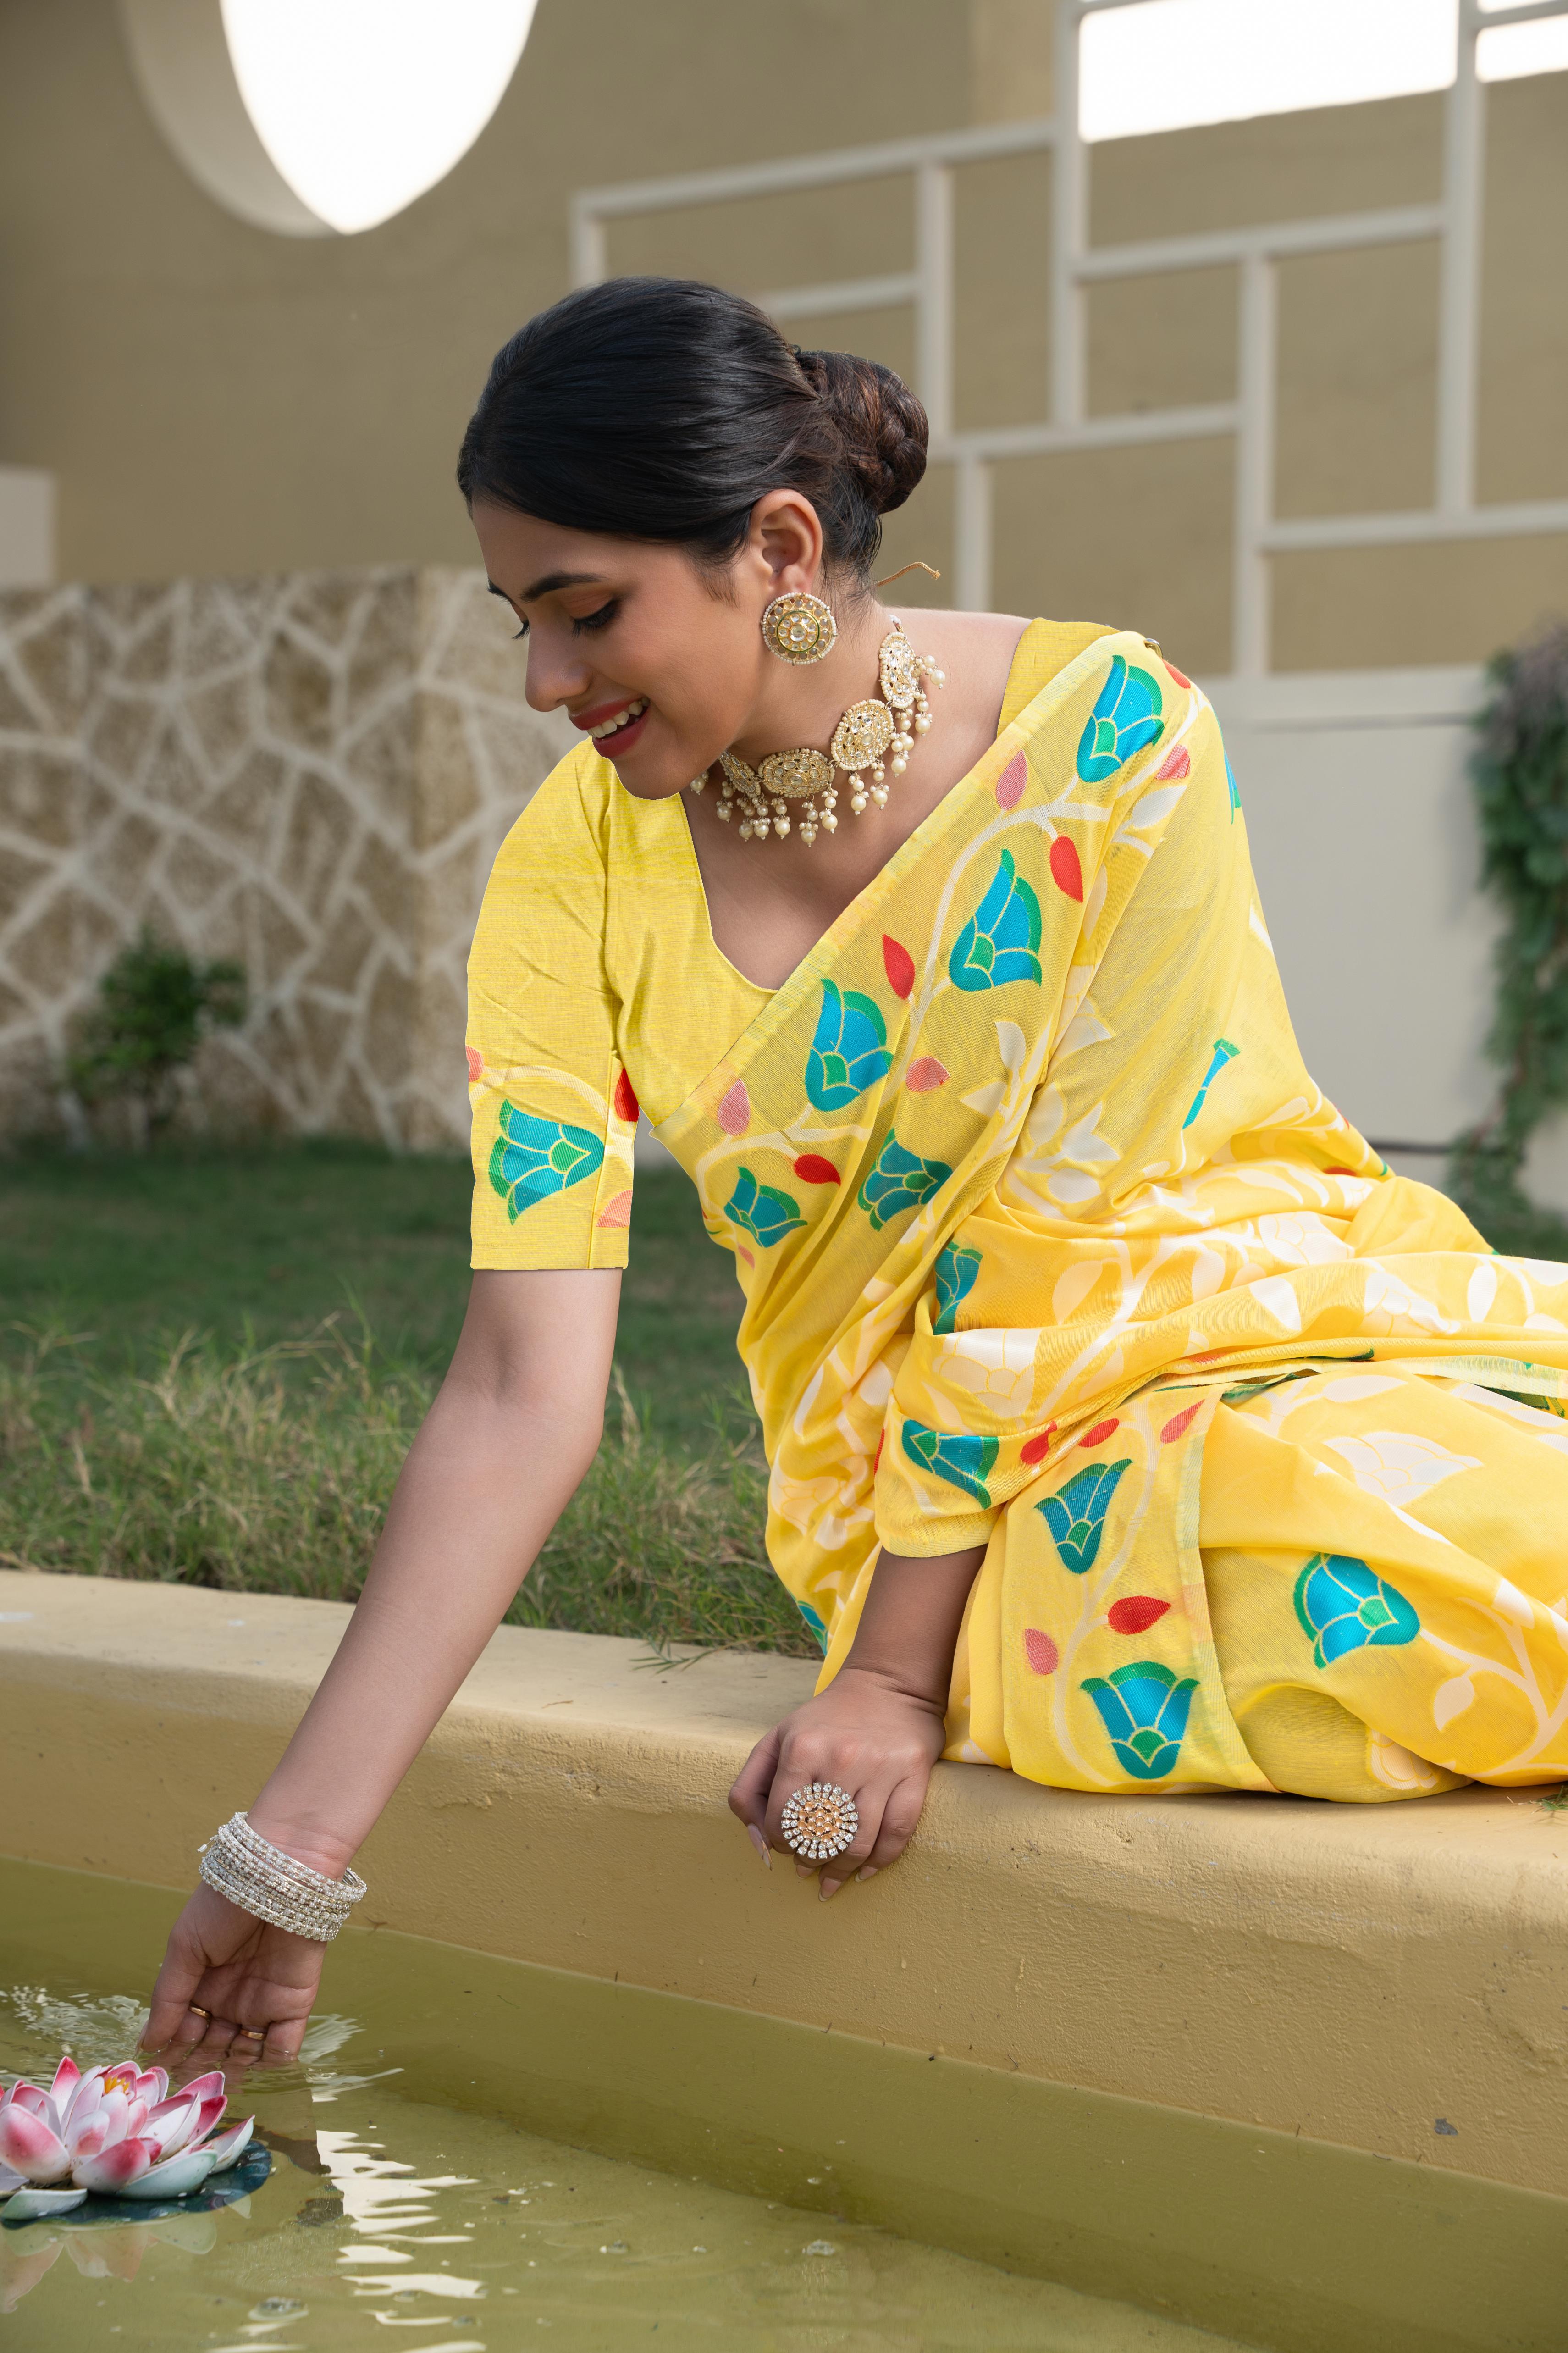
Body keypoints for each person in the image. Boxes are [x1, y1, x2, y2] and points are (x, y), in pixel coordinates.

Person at [146, 277, 1568, 2065]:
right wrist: (287, 1859)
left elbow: (1075, 1231)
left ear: (779, 547)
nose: (542, 682)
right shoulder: (571, 878)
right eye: (521, 621)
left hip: (1242, 1323)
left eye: (586, 611)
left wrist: (894, 1682)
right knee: (1386, 1583)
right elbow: (520, 1384)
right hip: (944, 1503)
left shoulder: (1109, 737)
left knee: (1479, 1499)